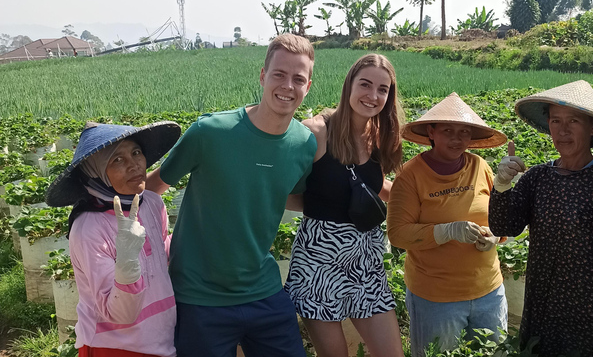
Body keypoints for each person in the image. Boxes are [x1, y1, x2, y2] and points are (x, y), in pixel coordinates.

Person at [145, 34, 317, 357]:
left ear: (308, 86)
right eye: (279, 74)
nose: (287, 86)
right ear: (263, 76)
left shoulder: (304, 144)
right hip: (200, 296)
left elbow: (290, 196)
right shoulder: (210, 132)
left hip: (263, 289)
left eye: (298, 79)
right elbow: (154, 184)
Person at [489, 80, 593, 357]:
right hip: (544, 310)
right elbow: (504, 226)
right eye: (556, 121)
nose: (563, 130)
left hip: (592, 315)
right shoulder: (537, 177)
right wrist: (501, 185)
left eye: (573, 121)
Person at [284, 53, 405, 357]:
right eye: (365, 84)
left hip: (366, 262)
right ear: (349, 84)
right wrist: (320, 206)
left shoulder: (377, 135)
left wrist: (425, 203)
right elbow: (278, 191)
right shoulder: (315, 132)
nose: (373, 95)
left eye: (382, 89)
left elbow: (374, 187)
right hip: (319, 262)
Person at [387, 92, 509, 357]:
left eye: (464, 132)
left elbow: (499, 217)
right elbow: (397, 233)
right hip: (436, 298)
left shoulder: (480, 166)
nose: (457, 139)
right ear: (431, 132)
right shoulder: (411, 176)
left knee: (493, 353)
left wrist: (496, 236)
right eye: (447, 131)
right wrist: (447, 231)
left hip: (488, 290)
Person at [45, 121, 181, 357]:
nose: (134, 165)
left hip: (162, 338)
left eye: (136, 153)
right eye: (117, 160)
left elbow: (160, 257)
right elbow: (120, 314)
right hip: (116, 346)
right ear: (96, 173)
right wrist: (127, 264)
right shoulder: (89, 228)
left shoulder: (152, 203)